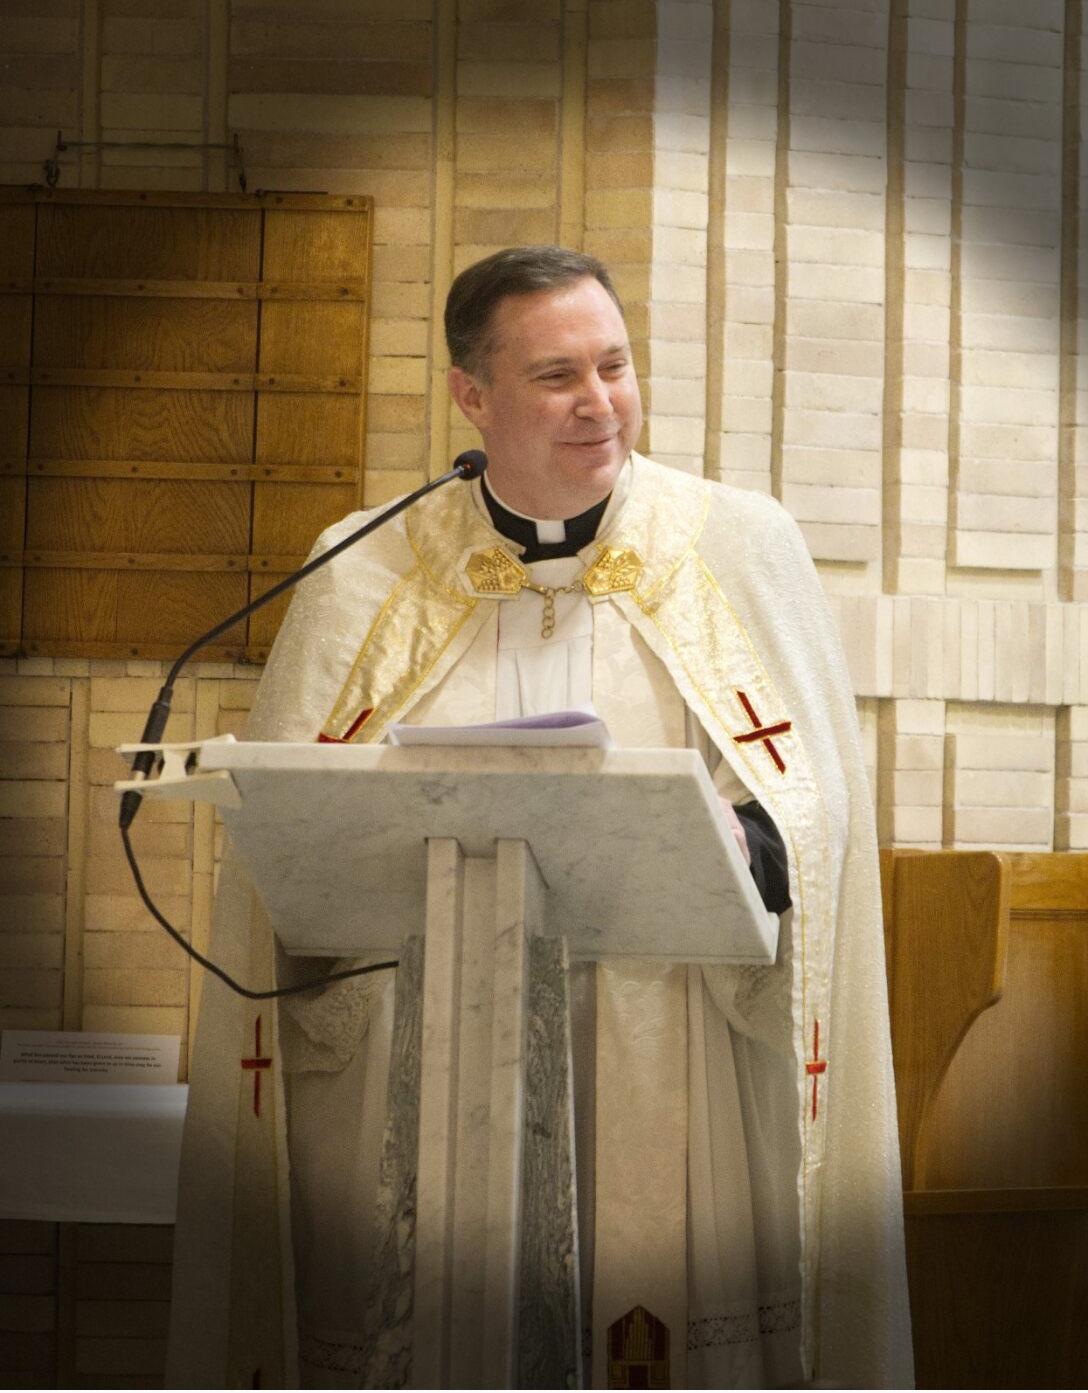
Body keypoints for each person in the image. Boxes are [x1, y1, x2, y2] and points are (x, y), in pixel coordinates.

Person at [168, 246, 913, 1389]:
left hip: (660, 1036)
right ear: (472, 396)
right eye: (557, 374)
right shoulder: (366, 565)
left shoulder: (732, 543)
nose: (599, 402)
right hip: (430, 1033)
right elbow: (293, 839)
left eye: (614, 366)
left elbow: (812, 806)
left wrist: (735, 840)